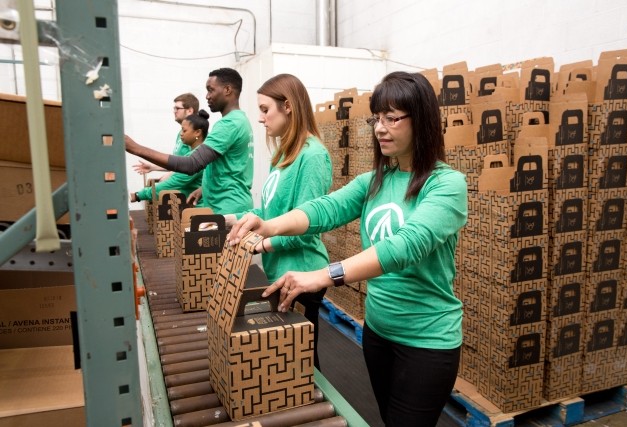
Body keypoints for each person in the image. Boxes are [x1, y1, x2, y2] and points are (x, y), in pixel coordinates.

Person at [228, 71, 468, 427]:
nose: (380, 128)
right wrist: (269, 225)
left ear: (423, 120)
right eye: (377, 118)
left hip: (427, 341)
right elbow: (325, 208)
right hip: (378, 333)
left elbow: (405, 246)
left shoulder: (446, 185)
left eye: (392, 118)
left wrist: (324, 275)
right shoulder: (376, 180)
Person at [225, 73, 332, 370]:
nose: (260, 119)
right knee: (287, 354)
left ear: (288, 107)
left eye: (264, 109)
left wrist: (261, 246)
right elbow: (268, 211)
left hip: (302, 274)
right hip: (279, 270)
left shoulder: (312, 157)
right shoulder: (283, 152)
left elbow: (308, 226)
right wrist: (232, 221)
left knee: (301, 360)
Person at [126, 68, 253, 214]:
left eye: (211, 90)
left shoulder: (229, 124)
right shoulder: (240, 120)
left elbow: (191, 164)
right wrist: (204, 188)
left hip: (228, 207)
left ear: (227, 90)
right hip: (228, 204)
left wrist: (136, 148)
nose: (207, 96)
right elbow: (230, 169)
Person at [130, 109, 209, 204]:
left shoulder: (197, 156)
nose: (181, 133)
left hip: (199, 208)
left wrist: (138, 195)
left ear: (197, 132)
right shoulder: (199, 153)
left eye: (184, 130)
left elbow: (172, 184)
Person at [131, 92, 199, 178]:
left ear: (189, 111)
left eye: (177, 108)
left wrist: (170, 175)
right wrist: (153, 167)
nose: (174, 111)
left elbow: (193, 165)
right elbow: (176, 164)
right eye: (174, 108)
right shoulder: (181, 133)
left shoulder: (195, 135)